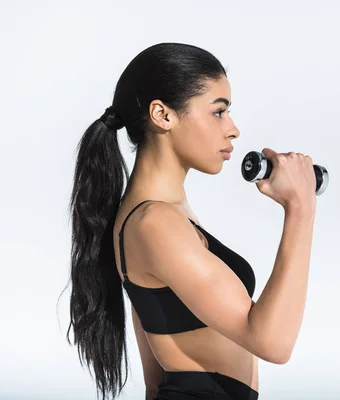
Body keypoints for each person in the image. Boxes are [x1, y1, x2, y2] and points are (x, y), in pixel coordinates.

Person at [66, 42, 318, 400]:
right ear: (162, 115)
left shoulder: (155, 215)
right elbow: (274, 344)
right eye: (219, 112)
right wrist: (301, 209)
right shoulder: (155, 223)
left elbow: (155, 377)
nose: (233, 129)